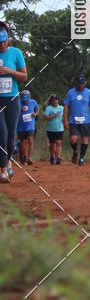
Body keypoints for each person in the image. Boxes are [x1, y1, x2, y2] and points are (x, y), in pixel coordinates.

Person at [0, 22, 27, 182]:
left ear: (8, 39)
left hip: (12, 98)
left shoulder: (15, 53)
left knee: (11, 137)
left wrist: (9, 71)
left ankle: (8, 160)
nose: (2, 45)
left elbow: (24, 76)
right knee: (1, 134)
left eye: (4, 42)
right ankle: (3, 170)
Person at [63, 75, 90, 165]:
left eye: (82, 84)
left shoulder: (89, 93)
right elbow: (66, 106)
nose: (80, 86)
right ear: (76, 84)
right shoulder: (70, 93)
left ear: (85, 83)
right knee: (73, 139)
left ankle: (81, 158)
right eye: (79, 84)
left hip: (85, 120)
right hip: (73, 120)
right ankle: (75, 150)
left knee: (84, 139)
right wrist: (65, 120)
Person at [17, 89, 39, 164]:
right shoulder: (18, 103)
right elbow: (14, 112)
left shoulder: (33, 102)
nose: (25, 101)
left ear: (29, 97)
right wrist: (19, 110)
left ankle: (29, 157)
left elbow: (37, 109)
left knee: (30, 140)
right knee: (22, 142)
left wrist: (35, 114)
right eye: (24, 99)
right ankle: (25, 156)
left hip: (30, 125)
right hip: (20, 126)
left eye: (26, 99)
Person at [43, 94, 64, 164]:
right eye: (53, 100)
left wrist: (65, 120)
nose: (55, 101)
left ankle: (58, 157)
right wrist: (54, 115)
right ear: (51, 101)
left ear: (58, 100)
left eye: (56, 100)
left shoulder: (61, 108)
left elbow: (65, 116)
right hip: (50, 129)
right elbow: (45, 118)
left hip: (60, 129)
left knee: (59, 143)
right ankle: (52, 155)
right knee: (52, 144)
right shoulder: (48, 108)